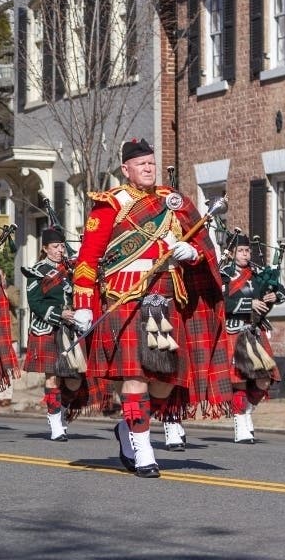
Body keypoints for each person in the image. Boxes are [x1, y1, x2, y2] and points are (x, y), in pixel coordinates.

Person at [72, 138, 230, 478]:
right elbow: (87, 261)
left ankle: (128, 429)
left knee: (164, 383)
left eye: (151, 162)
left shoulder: (174, 203)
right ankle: (145, 452)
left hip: (165, 301)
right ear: (125, 169)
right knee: (136, 379)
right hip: (124, 300)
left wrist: (193, 255)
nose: (148, 167)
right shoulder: (110, 204)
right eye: (140, 163)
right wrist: (83, 304)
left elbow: (203, 246)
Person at [22, 228, 95, 441]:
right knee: (52, 377)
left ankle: (60, 410)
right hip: (47, 328)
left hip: (70, 329)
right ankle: (55, 423)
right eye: (55, 247)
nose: (59, 250)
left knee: (74, 380)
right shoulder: (38, 271)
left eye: (62, 246)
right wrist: (59, 313)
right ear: (45, 249)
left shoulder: (70, 269)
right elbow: (35, 303)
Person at [219, 233, 285, 444]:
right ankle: (240, 423)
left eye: (247, 251)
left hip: (254, 331)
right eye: (241, 251)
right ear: (232, 253)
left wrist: (274, 296)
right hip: (233, 331)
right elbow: (221, 302)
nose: (245, 255)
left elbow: (278, 289)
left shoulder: (257, 272)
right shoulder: (224, 275)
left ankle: (246, 411)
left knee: (265, 378)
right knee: (238, 381)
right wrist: (249, 304)